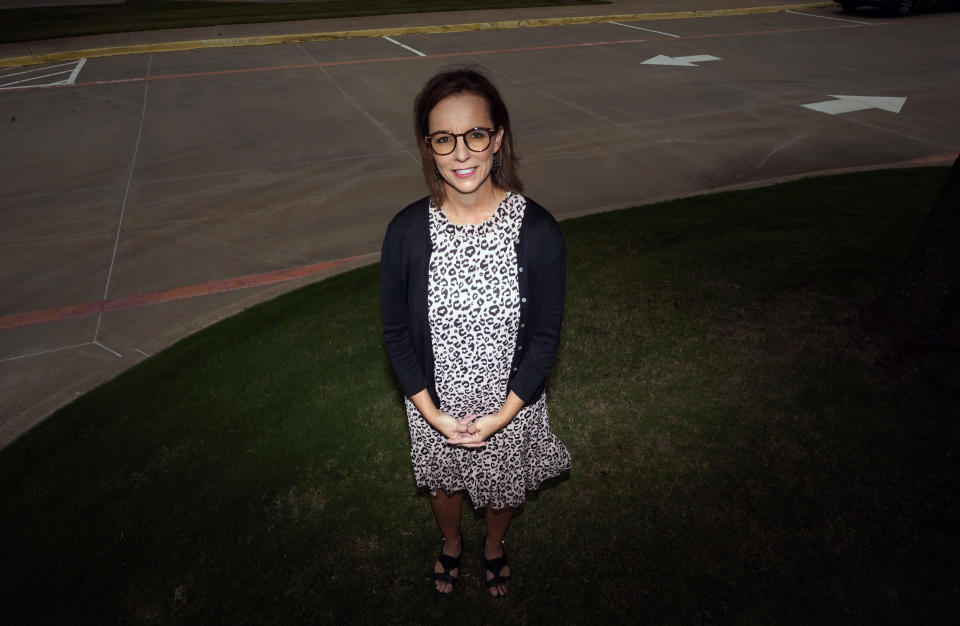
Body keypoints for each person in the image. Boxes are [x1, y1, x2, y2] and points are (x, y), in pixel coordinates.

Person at [380, 68, 571, 598]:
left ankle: (491, 545)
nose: (461, 154)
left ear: (498, 137)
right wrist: (434, 415)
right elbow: (396, 334)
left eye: (476, 135)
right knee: (444, 487)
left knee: (502, 490)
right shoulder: (404, 234)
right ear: (429, 147)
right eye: (445, 139)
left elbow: (544, 340)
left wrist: (501, 418)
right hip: (433, 405)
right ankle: (450, 542)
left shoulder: (539, 233)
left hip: (511, 403)